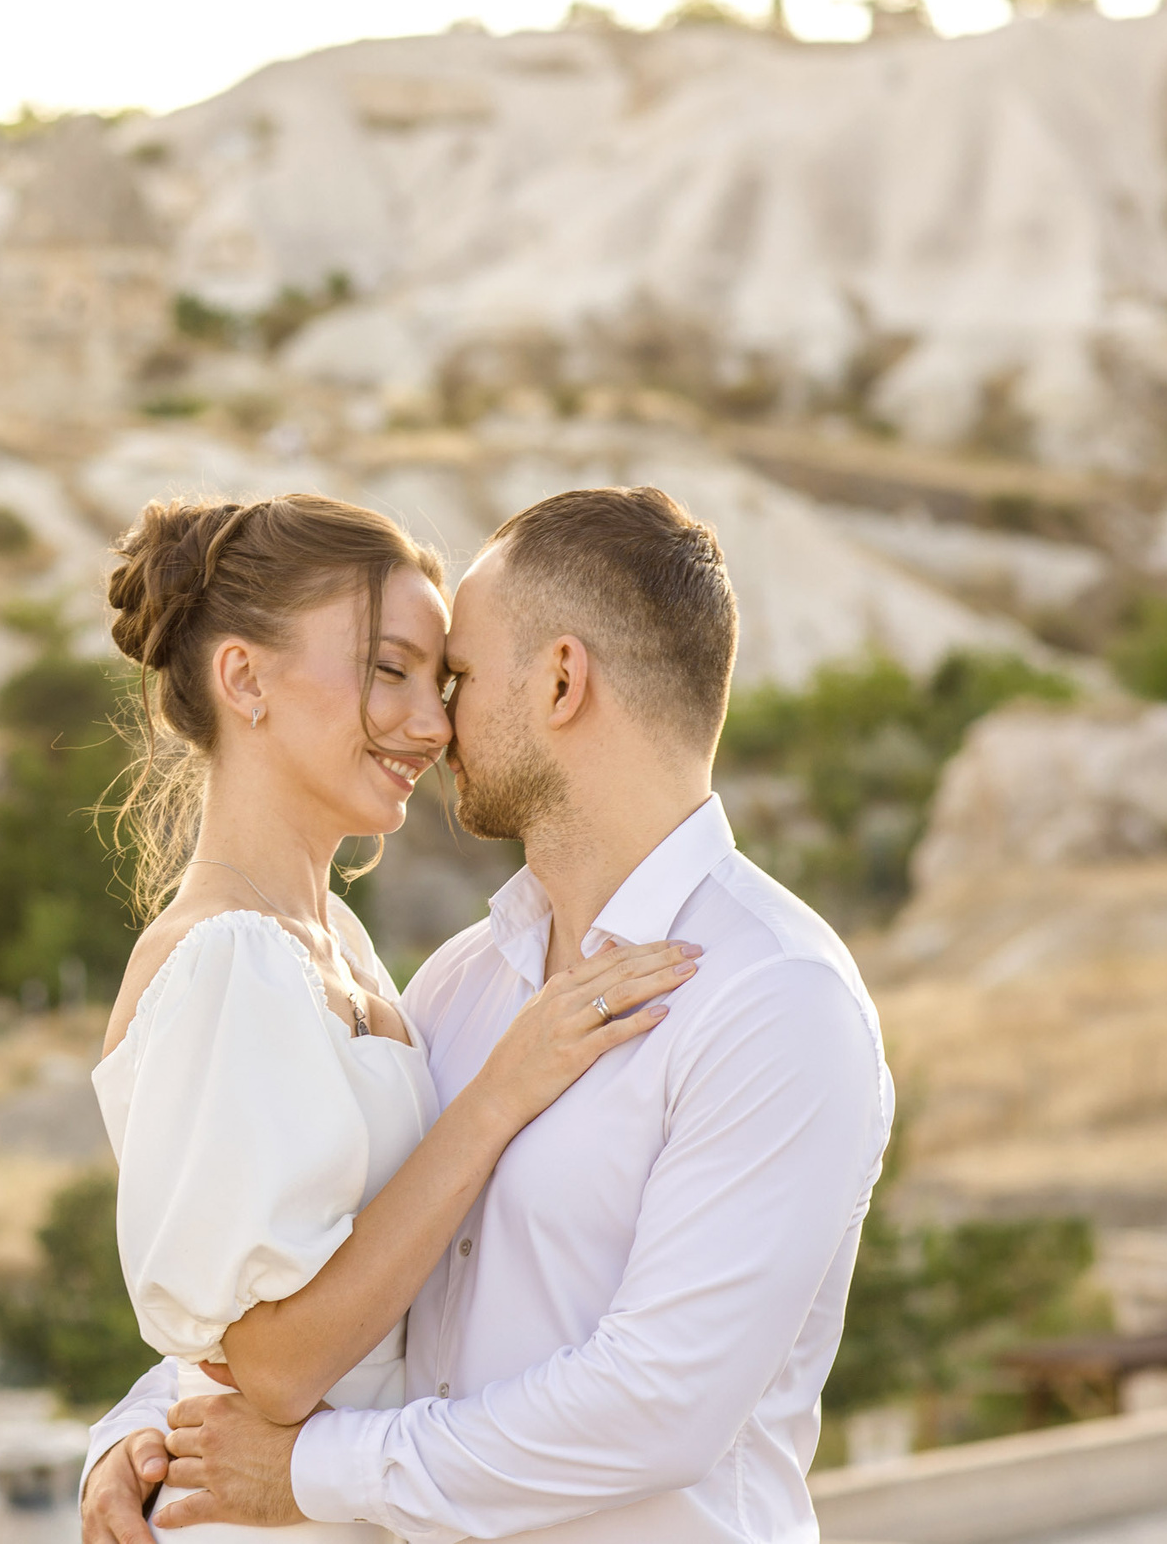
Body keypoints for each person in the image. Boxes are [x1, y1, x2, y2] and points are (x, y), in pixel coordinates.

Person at [83, 486, 894, 1544]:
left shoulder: (772, 997)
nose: (433, 720)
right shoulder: (462, 988)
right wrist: (144, 1429)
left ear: (562, 681)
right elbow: (331, 1280)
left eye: (454, 676)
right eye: (405, 672)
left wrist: (311, 1472)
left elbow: (654, 1407)